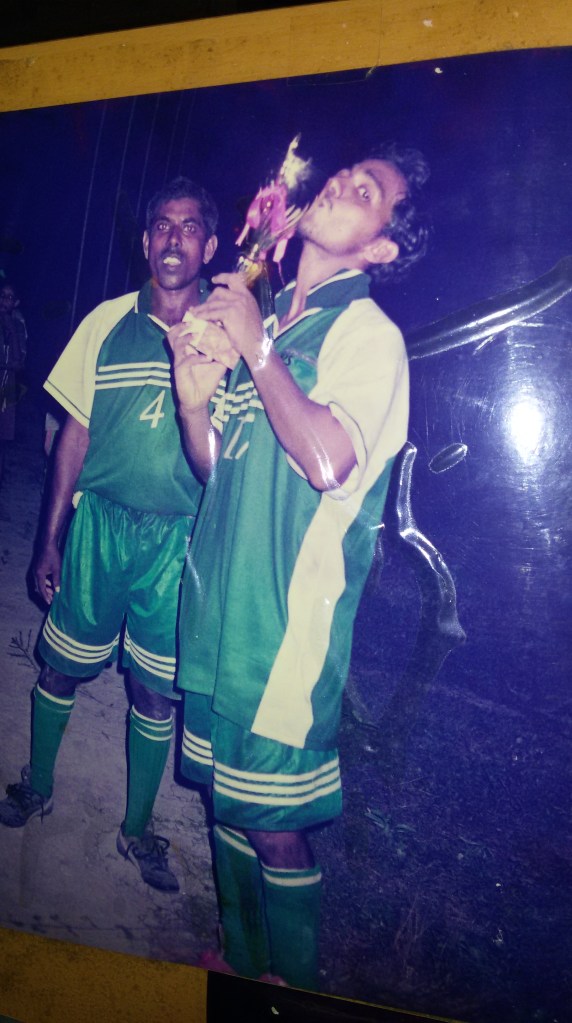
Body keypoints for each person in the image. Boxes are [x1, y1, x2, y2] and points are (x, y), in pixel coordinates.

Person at [168, 143, 429, 983]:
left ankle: (300, 989)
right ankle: (243, 963)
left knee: (275, 824)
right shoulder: (272, 313)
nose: (339, 183)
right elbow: (217, 466)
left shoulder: (370, 336)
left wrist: (256, 350)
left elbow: (326, 461)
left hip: (282, 636)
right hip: (218, 608)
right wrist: (192, 401)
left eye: (366, 191)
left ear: (381, 246)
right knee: (226, 800)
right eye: (345, 173)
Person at [0, 177, 218, 893]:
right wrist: (49, 538)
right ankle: (36, 784)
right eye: (163, 226)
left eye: (190, 226)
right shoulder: (106, 322)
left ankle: (137, 830)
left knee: (155, 693)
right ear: (146, 240)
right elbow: (74, 434)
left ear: (210, 244)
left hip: (177, 542)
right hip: (99, 526)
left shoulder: (228, 336)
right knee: (61, 667)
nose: (174, 238)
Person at [0, 281, 27, 483]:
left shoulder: (18, 324)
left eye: (9, 297)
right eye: (2, 295)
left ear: (16, 303)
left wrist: (10, 327)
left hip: (8, 385)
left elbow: (19, 363)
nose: (4, 301)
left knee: (2, 436)